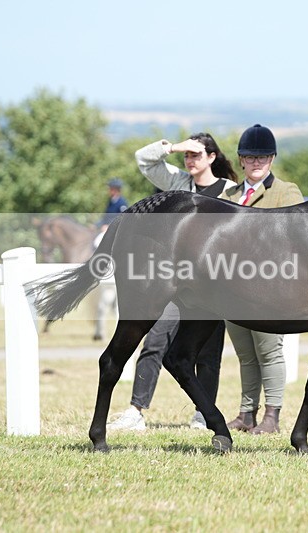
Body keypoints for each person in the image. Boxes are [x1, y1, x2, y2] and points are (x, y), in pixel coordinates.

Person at [107, 133, 237, 431]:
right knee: (153, 341)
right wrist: (176, 147)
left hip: (213, 283)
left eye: (196, 155)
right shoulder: (179, 183)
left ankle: (202, 414)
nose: (190, 160)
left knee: (208, 352)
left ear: (213, 157)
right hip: (173, 280)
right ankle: (136, 410)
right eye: (187, 156)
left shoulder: (231, 191)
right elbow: (144, 159)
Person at [219, 124, 304, 435]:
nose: (257, 163)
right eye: (251, 158)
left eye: (263, 157)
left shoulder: (286, 191)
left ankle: (272, 415)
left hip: (269, 286)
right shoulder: (227, 194)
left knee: (269, 350)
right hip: (231, 285)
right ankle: (246, 413)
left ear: (272, 159)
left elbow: (293, 236)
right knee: (245, 354)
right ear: (241, 160)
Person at [93, 178, 128, 341]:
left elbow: (121, 219)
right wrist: (97, 224)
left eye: (112, 188)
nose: (110, 190)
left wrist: (108, 226)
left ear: (117, 189)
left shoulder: (121, 203)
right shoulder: (111, 201)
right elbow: (105, 217)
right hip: (105, 228)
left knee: (98, 241)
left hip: (114, 231)